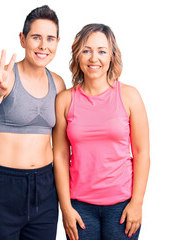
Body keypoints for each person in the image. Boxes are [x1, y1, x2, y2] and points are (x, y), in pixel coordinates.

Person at [0, 5, 65, 240]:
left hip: (44, 188)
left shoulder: (59, 84)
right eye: (36, 37)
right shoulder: (5, 77)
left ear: (57, 42)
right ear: (22, 39)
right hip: (0, 186)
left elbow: (61, 148)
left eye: (50, 39)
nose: (43, 45)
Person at [53, 23, 150, 240]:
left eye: (101, 51)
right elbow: (59, 156)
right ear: (77, 56)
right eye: (86, 50)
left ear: (112, 57)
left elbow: (142, 153)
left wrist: (137, 202)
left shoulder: (129, 96)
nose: (93, 58)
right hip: (79, 207)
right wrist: (66, 208)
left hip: (122, 206)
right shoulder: (65, 100)